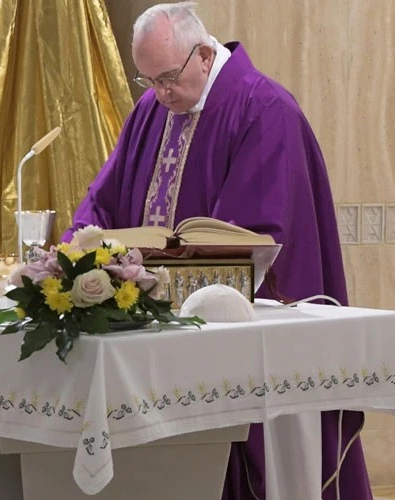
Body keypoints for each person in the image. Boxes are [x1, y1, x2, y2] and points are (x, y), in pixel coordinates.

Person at [63, 3, 371, 499]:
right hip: (159, 331)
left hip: (240, 333)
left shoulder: (264, 109)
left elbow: (256, 234)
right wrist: (81, 250)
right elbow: (104, 198)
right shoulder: (152, 109)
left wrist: (157, 269)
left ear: (204, 55)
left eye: (167, 78)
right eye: (149, 81)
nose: (160, 94)